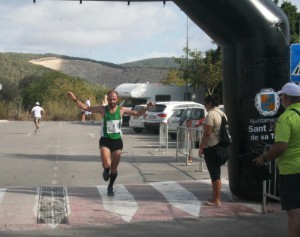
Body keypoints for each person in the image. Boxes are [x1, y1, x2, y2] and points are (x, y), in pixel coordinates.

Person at [66, 90, 154, 196]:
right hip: (105, 140)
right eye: (110, 99)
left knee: (114, 169)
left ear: (117, 100)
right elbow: (86, 108)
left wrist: (147, 107)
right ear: (107, 99)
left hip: (117, 142)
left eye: (114, 99)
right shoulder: (102, 109)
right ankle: (105, 169)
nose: (112, 101)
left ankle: (110, 186)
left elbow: (138, 113)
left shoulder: (122, 110)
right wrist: (74, 99)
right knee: (107, 164)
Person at [254, 82, 300, 237]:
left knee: (295, 212)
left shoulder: (286, 118)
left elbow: (281, 146)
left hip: (292, 171)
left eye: (281, 97)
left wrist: (264, 157)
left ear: (286, 97)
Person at [198, 95, 228, 207]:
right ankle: (215, 196)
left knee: (214, 175)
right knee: (217, 174)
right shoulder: (222, 113)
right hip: (221, 147)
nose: (204, 106)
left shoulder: (211, 115)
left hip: (212, 147)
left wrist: (201, 147)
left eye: (205, 104)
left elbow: (207, 133)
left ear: (210, 103)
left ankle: (216, 199)